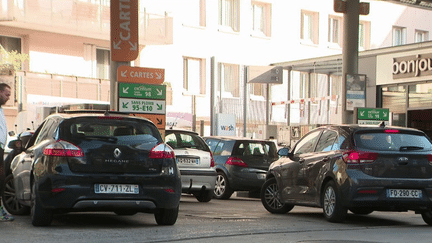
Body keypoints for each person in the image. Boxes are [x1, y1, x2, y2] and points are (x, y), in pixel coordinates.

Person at [0, 83, 13, 221]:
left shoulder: (1, 110)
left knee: (1, 179)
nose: (8, 97)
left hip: (1, 147)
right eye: (7, 94)